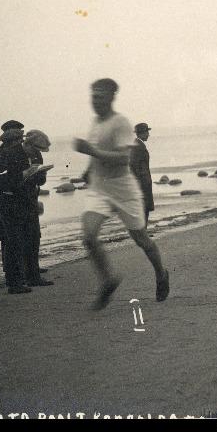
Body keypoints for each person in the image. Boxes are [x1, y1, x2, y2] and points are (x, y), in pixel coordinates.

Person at [73, 78, 169, 310]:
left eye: (100, 97)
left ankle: (161, 273)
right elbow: (95, 154)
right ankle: (108, 280)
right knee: (88, 236)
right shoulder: (96, 123)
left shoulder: (121, 123)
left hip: (123, 189)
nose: (95, 101)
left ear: (111, 98)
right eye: (93, 96)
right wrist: (87, 171)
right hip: (99, 189)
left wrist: (91, 151)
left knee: (142, 240)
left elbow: (124, 158)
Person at [0, 120, 34, 294]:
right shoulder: (10, 154)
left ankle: (18, 277)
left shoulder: (0, 153)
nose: (20, 142)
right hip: (10, 202)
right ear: (11, 138)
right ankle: (14, 280)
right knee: (13, 241)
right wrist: (24, 176)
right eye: (18, 138)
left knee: (16, 240)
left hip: (15, 201)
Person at [21, 130, 54, 287]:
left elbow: (37, 180)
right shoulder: (28, 154)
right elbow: (35, 179)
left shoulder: (28, 152)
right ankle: (31, 272)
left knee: (31, 236)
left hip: (27, 198)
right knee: (31, 236)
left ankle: (31, 269)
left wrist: (39, 174)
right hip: (26, 199)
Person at [129, 122, 154, 225]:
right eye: (147, 132)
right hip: (142, 185)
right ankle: (143, 236)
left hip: (143, 184)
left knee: (144, 211)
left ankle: (144, 235)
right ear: (141, 133)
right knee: (143, 211)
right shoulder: (138, 146)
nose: (148, 134)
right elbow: (133, 166)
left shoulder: (138, 145)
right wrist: (139, 184)